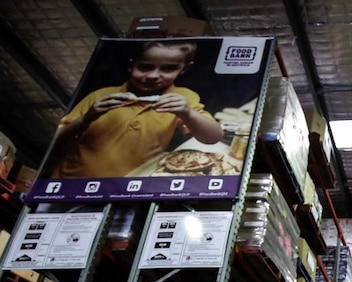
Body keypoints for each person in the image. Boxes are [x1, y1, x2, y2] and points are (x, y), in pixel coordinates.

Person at [47, 40, 223, 178]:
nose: (153, 76)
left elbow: (213, 137)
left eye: (168, 68)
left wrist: (188, 113)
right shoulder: (101, 95)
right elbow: (55, 143)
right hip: (67, 182)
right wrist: (87, 117)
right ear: (131, 65)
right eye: (145, 66)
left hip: (129, 188)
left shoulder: (183, 98)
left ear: (184, 69)